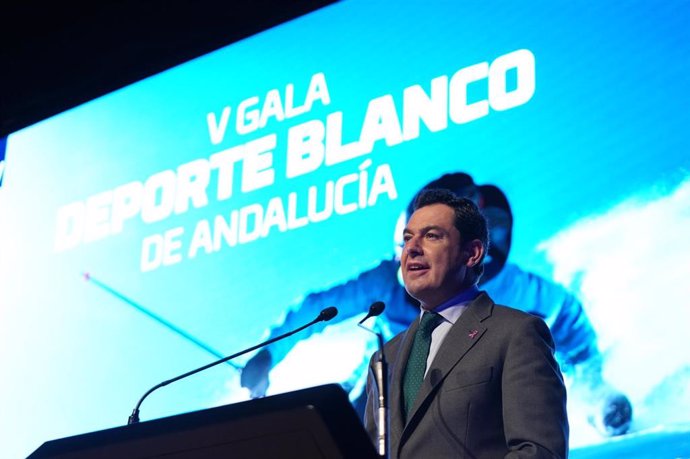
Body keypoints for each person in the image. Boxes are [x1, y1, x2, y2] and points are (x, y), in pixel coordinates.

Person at [241, 172, 632, 436]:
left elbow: (568, 318)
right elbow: (318, 307)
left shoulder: (512, 287)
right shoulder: (386, 281)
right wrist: (266, 354)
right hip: (381, 388)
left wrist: (596, 391)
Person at [363, 189, 568, 458]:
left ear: (472, 253)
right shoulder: (385, 357)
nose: (411, 248)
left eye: (432, 236)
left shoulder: (515, 333)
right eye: (407, 238)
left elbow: (539, 451)